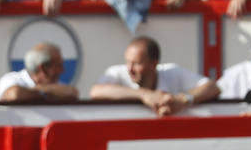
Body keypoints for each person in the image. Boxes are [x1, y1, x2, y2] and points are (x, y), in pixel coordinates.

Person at [91, 36, 219, 115]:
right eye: (128, 62)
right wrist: (144, 94)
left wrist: (181, 100)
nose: (129, 69)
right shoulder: (117, 72)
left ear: (154, 64)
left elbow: (212, 87)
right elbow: (96, 92)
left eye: (137, 63)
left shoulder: (172, 72)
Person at [0, 41, 80, 102]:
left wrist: (38, 91)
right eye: (58, 66)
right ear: (43, 68)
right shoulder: (11, 79)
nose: (63, 70)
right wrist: (45, 93)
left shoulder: (53, 84)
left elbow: (72, 92)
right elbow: (15, 94)